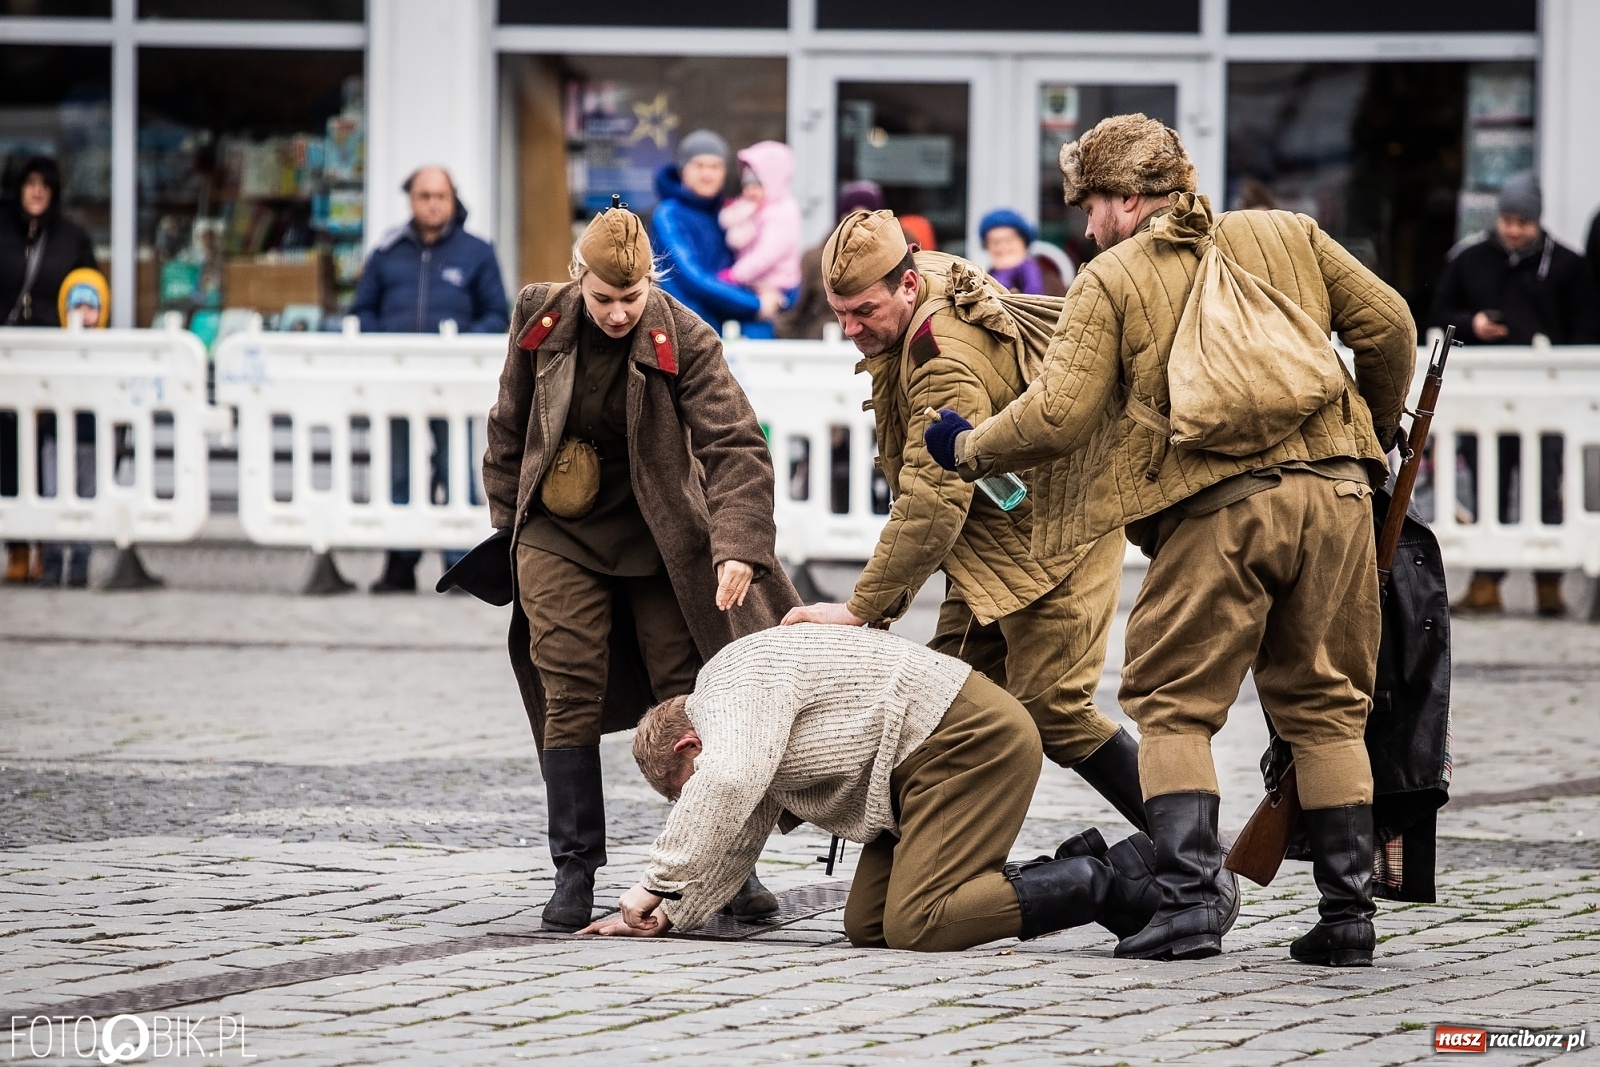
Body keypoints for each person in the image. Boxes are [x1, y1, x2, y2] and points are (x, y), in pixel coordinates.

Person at [925, 114, 1417, 967]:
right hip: (1338, 499)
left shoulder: (1112, 277)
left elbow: (1058, 416)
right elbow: (1391, 326)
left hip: (1220, 510)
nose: (1084, 227)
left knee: (1172, 704)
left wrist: (968, 447)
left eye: (1090, 206)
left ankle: (1190, 903)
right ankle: (1349, 916)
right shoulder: (1289, 232)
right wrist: (1364, 435)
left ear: (1126, 198)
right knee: (1329, 709)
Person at [781, 208, 1153, 841]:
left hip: (1056, 536)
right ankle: (926, 856)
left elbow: (933, 495)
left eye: (862, 312)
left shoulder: (944, 358)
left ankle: (1194, 860)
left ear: (904, 283)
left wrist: (863, 607)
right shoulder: (917, 275)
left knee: (1054, 709)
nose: (848, 328)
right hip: (999, 537)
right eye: (839, 311)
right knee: (939, 696)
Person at [482, 202, 800, 932]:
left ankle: (726, 859)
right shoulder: (540, 316)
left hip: (663, 540)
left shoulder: (683, 333)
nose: (620, 312)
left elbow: (736, 447)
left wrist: (737, 546)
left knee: (687, 695)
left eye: (632, 298)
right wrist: (507, 527)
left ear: (650, 283)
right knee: (567, 683)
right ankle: (575, 868)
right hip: (558, 534)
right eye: (605, 298)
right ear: (578, 279)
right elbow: (508, 423)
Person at [582, 624, 1162, 951]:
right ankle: (1067, 869)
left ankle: (1107, 879)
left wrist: (652, 884)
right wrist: (674, 915)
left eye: (689, 788)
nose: (698, 800)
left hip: (967, 740)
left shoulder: (727, 690)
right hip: (910, 779)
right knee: (868, 925)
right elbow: (737, 830)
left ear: (689, 747)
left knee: (920, 923)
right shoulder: (739, 728)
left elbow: (726, 782)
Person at [1430, 171, 1600, 617]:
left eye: (1523, 221)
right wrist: (1474, 326)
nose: (1513, 229)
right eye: (1507, 218)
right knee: (1489, 485)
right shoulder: (1469, 260)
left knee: (1546, 485)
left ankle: (1550, 585)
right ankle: (1486, 582)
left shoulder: (1567, 265)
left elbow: (1586, 328)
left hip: (1549, 397)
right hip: (1484, 392)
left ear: (1537, 221)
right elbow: (1440, 310)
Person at [350, 166, 510, 593]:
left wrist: (460, 344)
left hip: (452, 385)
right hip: (397, 382)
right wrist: (381, 338)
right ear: (411, 200)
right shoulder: (387, 251)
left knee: (456, 470)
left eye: (441, 195)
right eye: (424, 195)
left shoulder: (477, 252)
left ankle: (458, 565)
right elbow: (360, 310)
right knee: (398, 472)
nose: (433, 203)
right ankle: (399, 566)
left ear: (454, 199)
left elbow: (498, 314)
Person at [1, 156, 100, 588]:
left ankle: (52, 545)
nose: (37, 191)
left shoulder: (72, 236)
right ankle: (18, 545)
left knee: (53, 452)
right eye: (29, 183)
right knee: (9, 452)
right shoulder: (2, 232)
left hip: (55, 354)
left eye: (44, 184)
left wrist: (87, 312)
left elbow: (91, 285)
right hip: (8, 355)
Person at [651, 130, 776, 335]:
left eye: (715, 166)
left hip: (724, 327)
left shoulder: (726, 213)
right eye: (699, 166)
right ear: (683, 170)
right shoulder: (668, 215)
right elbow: (692, 277)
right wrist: (755, 304)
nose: (707, 174)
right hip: (684, 331)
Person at [776, 180, 883, 340]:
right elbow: (793, 312)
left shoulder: (888, 261)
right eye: (850, 215)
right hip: (819, 349)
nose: (857, 224)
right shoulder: (815, 259)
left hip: (874, 351)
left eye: (866, 216)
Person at [717, 141, 802, 310]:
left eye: (757, 185)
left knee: (759, 330)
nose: (750, 191)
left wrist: (736, 274)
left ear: (772, 181)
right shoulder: (755, 207)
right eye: (746, 185)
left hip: (778, 286)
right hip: (755, 283)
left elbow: (768, 253)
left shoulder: (783, 212)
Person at [978, 209, 1047, 295]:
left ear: (1023, 243)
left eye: (1008, 240)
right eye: (995, 242)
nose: (1002, 247)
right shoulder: (981, 280)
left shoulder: (1047, 279)